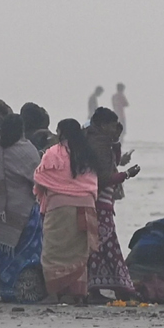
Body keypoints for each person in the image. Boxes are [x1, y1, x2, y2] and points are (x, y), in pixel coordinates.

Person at [0, 113, 44, 302]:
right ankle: (26, 292)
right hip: (25, 212)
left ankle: (7, 290)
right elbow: (38, 179)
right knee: (28, 254)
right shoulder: (27, 150)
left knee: (5, 255)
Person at [32, 118, 101, 305]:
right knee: (79, 252)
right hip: (86, 206)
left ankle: (54, 293)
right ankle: (77, 294)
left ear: (61, 133)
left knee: (53, 252)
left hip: (60, 207)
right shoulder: (88, 154)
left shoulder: (53, 153)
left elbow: (40, 177)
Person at [85, 107, 140, 299]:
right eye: (112, 125)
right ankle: (123, 288)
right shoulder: (99, 144)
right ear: (102, 125)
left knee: (97, 249)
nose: (114, 129)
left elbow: (110, 165)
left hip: (99, 202)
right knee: (109, 247)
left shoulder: (99, 142)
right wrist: (127, 174)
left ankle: (96, 288)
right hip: (99, 204)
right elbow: (104, 178)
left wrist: (116, 145)